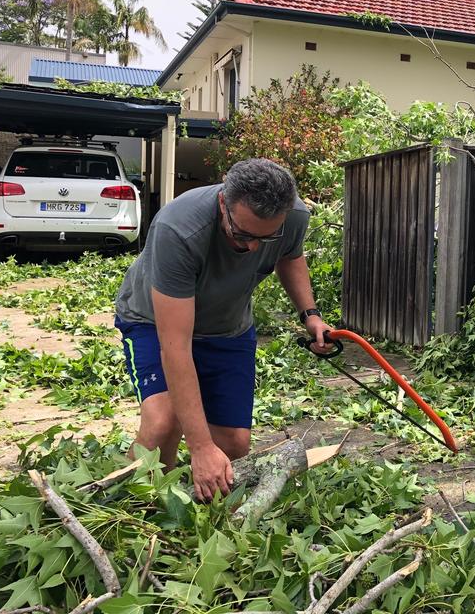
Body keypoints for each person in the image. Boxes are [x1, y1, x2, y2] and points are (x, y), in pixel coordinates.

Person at [114, 158, 330, 500]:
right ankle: (143, 511)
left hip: (228, 326)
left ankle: (200, 512)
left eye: (266, 237)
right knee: (163, 425)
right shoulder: (178, 229)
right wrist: (199, 448)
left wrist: (310, 315)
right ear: (222, 203)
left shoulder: (293, 215)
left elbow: (290, 256)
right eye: (242, 234)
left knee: (233, 444)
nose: (253, 248)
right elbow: (176, 348)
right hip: (155, 322)